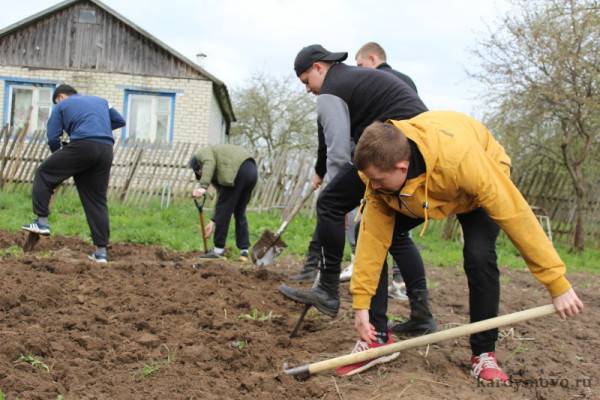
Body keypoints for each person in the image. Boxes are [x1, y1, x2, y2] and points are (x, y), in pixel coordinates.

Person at [337, 112, 584, 381]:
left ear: (401, 166)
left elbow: (517, 217)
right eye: (369, 180)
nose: (372, 186)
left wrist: (557, 283)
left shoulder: (463, 161)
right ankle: (376, 339)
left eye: (378, 181)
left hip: (475, 181)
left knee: (479, 254)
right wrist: (360, 305)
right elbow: (372, 241)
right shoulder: (378, 176)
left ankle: (484, 353)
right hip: (420, 192)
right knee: (366, 229)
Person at [279, 44, 436, 339]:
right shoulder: (354, 81)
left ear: (318, 68)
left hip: (401, 148)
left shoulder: (331, 90)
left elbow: (338, 153)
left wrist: (343, 201)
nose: (307, 90)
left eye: (305, 81)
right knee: (393, 232)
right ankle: (421, 315)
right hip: (424, 151)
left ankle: (326, 289)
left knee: (329, 203)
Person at [22, 84, 125, 263]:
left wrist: (59, 156)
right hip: (106, 149)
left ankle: (42, 222)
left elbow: (53, 137)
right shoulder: (101, 101)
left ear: (60, 97)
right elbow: (120, 120)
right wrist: (100, 128)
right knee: (96, 200)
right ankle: (101, 252)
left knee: (44, 173)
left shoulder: (62, 105)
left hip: (83, 145)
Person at [189, 144, 257, 262]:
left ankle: (218, 251)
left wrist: (203, 187)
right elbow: (223, 199)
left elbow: (209, 163)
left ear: (199, 168)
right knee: (239, 212)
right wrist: (213, 221)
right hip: (251, 171)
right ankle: (244, 251)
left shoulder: (203, 153)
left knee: (224, 212)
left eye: (200, 172)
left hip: (237, 172)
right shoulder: (222, 167)